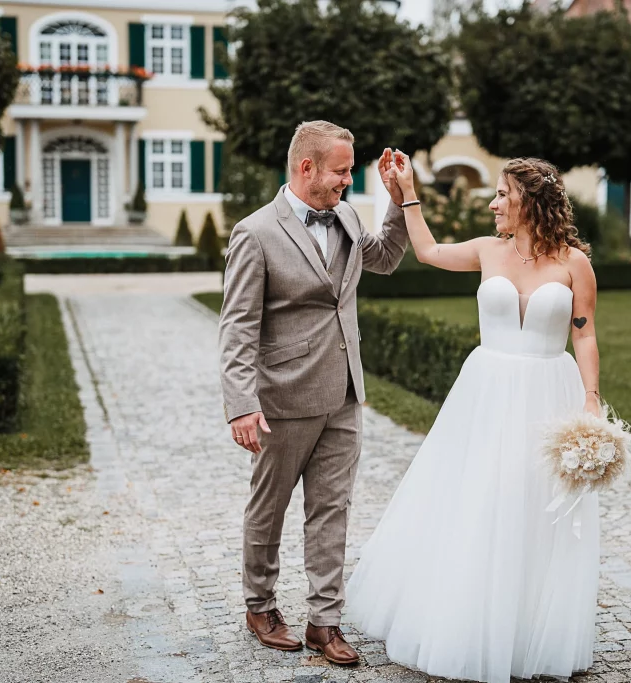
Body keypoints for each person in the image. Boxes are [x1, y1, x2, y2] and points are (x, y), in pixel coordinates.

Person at [346, 153, 601, 683]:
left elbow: (584, 333)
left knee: (538, 507)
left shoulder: (574, 262)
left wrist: (591, 398)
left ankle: (529, 630)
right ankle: (471, 622)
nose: (492, 203)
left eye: (502, 195)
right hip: (488, 392)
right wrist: (408, 194)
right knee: (483, 498)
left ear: (530, 202)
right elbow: (429, 250)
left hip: (551, 391)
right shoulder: (487, 251)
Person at [218, 121, 409, 666]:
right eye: (342, 171)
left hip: (345, 393)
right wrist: (242, 404)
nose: (349, 182)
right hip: (281, 399)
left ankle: (324, 623)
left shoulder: (347, 215)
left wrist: (396, 201)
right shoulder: (255, 234)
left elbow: (386, 257)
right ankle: (260, 607)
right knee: (270, 508)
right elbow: (236, 326)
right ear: (307, 168)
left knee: (332, 510)